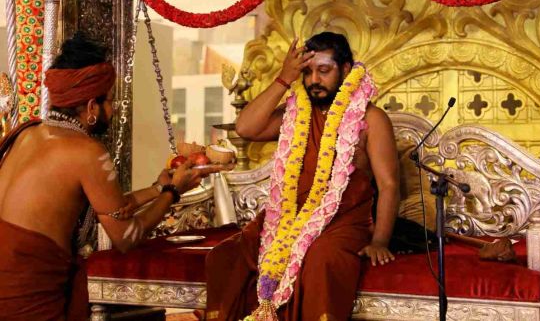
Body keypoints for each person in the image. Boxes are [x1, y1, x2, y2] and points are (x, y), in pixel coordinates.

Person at [0, 32, 224, 321]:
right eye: (110, 100)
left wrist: (158, 188)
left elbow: (109, 207)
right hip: (27, 296)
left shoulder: (28, 133)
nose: (114, 108)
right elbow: (126, 236)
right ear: (91, 107)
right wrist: (173, 193)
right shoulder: (85, 151)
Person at [206, 32, 400, 321]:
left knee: (320, 259)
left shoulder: (370, 118)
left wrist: (380, 241)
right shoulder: (295, 113)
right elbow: (245, 128)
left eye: (324, 70)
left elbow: (389, 185)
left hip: (341, 223)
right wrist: (284, 78)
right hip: (287, 218)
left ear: (346, 69)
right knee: (224, 255)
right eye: (307, 72)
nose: (314, 80)